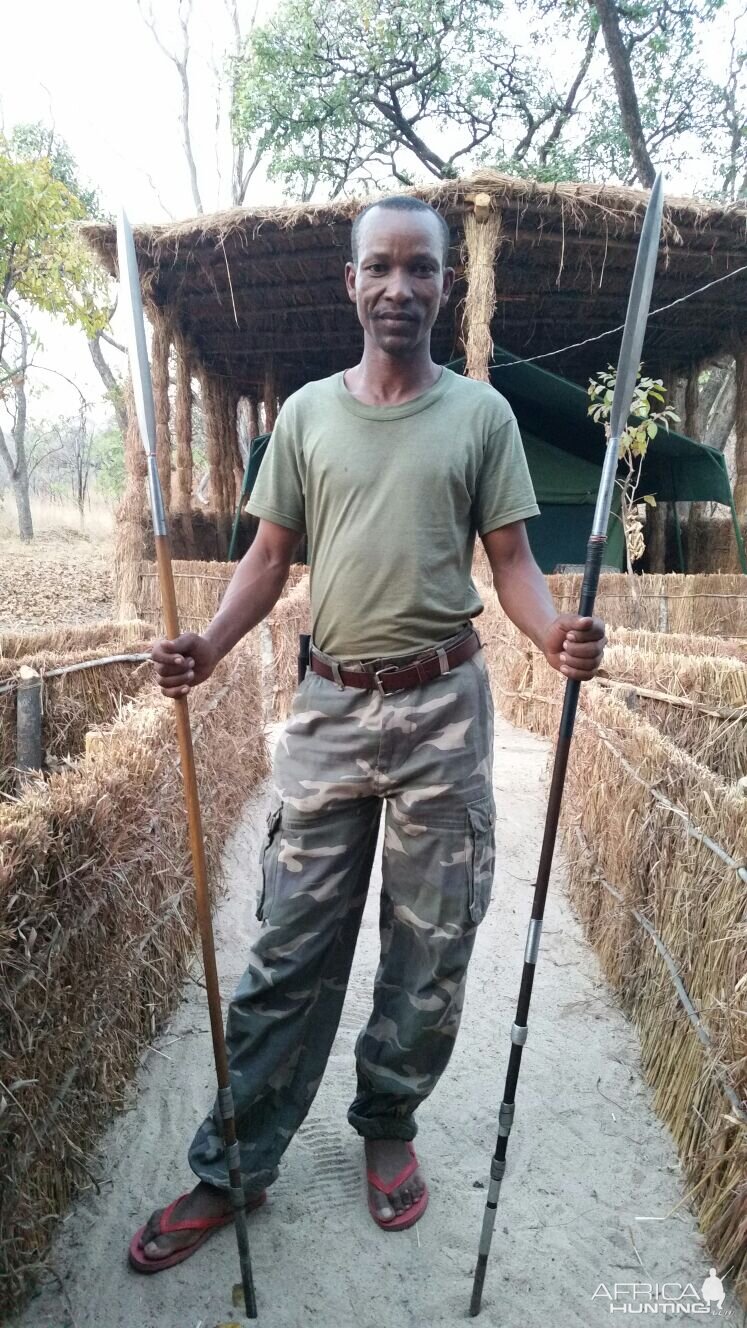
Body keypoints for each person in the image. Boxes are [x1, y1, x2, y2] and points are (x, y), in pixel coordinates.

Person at [129, 195, 606, 1272]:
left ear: (447, 285)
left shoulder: (481, 417)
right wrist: (205, 646)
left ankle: (387, 1118)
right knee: (289, 947)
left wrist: (554, 639)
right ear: (352, 282)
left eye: (420, 270)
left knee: (431, 947)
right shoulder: (305, 414)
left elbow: (516, 565)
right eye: (380, 268)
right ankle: (232, 1164)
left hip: (445, 706)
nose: (400, 287)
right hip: (333, 707)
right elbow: (265, 558)